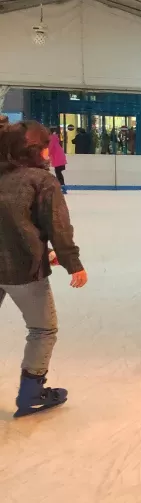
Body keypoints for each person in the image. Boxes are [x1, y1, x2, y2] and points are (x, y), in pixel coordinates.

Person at [0, 121, 87, 418]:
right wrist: (72, 262)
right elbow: (58, 227)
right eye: (47, 147)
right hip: (22, 270)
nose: (51, 154)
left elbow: (12, 223)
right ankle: (31, 393)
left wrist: (44, 250)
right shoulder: (41, 181)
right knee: (42, 329)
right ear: (33, 150)